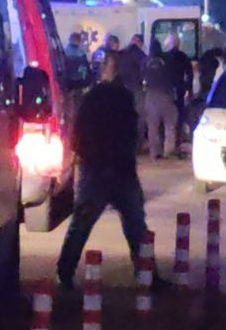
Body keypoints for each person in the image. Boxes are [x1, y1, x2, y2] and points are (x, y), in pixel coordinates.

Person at [57, 52, 156, 291]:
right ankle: (147, 274)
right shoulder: (121, 97)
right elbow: (130, 132)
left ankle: (65, 272)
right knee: (135, 224)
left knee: (84, 223)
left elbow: (79, 132)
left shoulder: (94, 97)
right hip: (116, 169)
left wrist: (87, 156)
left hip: (99, 168)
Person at [142, 40, 179, 158]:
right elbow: (173, 78)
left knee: (152, 127)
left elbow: (142, 78)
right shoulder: (166, 60)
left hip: (151, 96)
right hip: (165, 95)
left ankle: (154, 152)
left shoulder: (145, 61)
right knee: (170, 124)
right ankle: (168, 151)